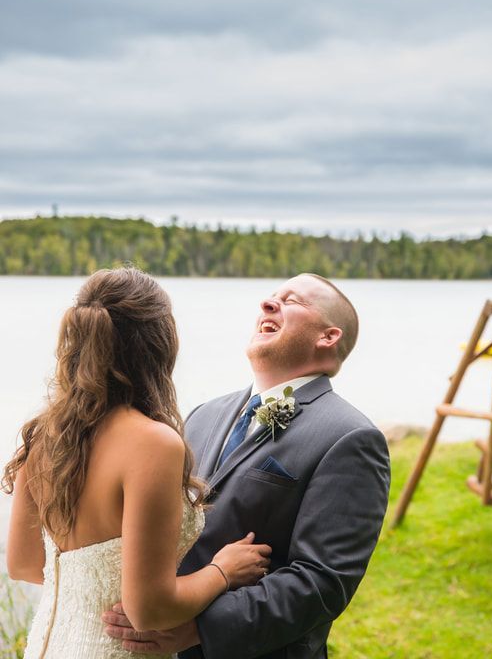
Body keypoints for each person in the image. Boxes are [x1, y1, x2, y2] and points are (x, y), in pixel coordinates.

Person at [103, 273, 391, 659]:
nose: (268, 305)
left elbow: (322, 582)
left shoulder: (350, 437)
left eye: (292, 301)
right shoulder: (204, 414)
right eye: (271, 297)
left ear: (328, 337)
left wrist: (197, 631)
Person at [3, 267, 271, 659]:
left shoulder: (45, 434)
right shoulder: (153, 443)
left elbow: (24, 565)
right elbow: (149, 611)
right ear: (158, 345)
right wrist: (223, 572)